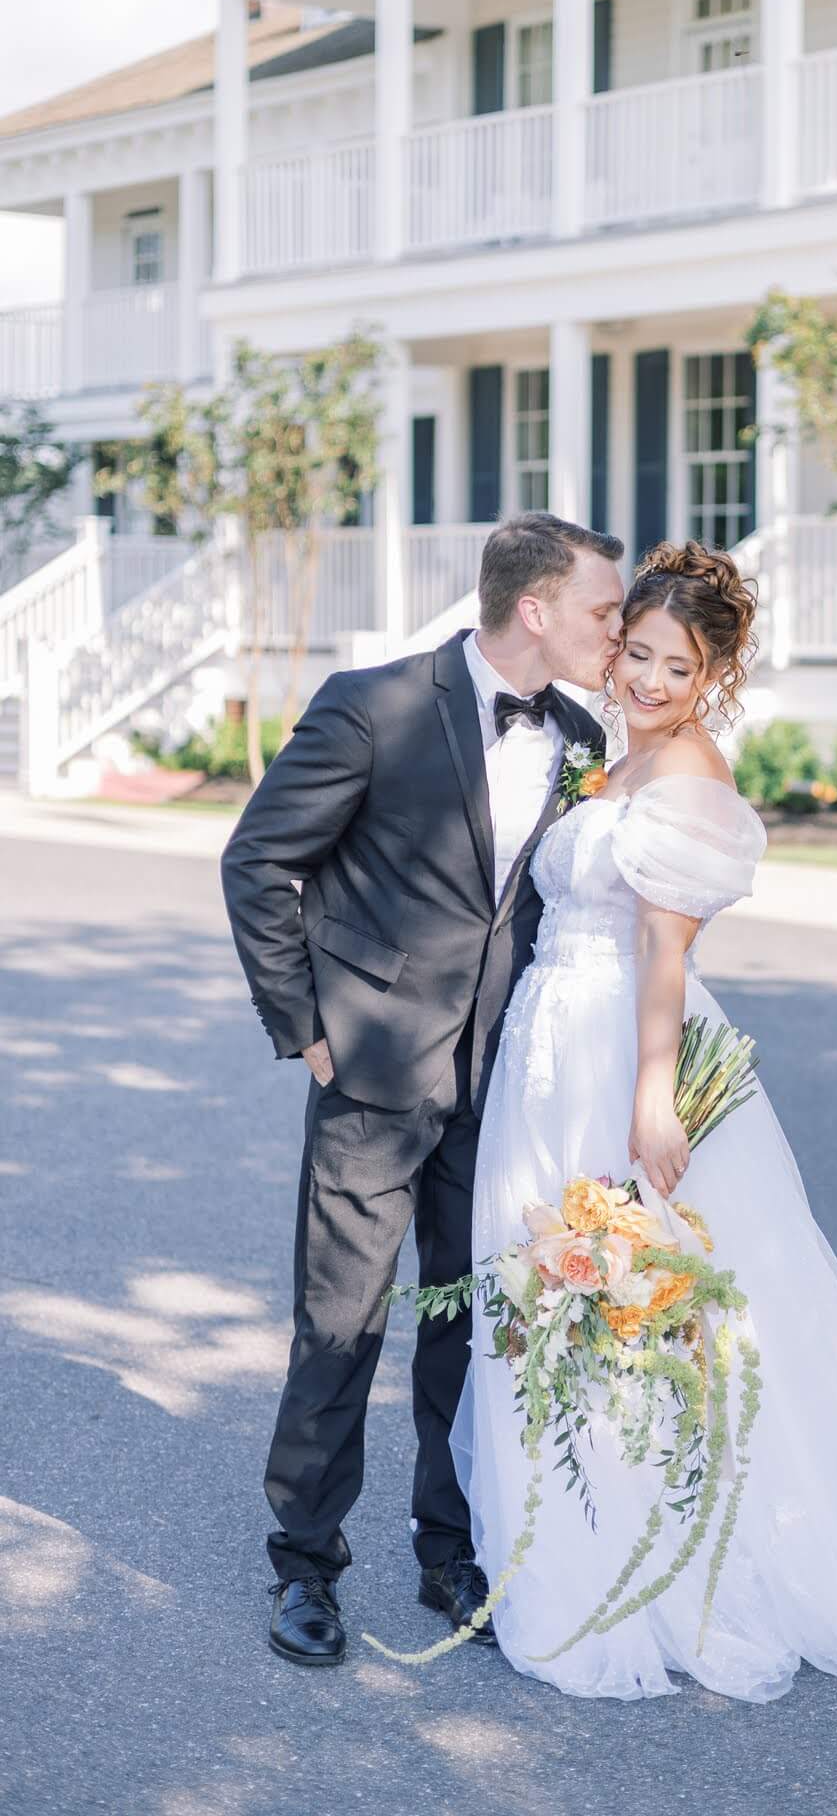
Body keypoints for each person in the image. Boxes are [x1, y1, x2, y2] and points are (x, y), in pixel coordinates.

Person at [455, 538, 837, 1701]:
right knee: (553, 1279)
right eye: (636, 653)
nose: (648, 681)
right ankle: (575, 1525)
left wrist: (650, 1096)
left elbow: (665, 955)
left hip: (618, 1050)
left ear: (712, 676)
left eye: (678, 667)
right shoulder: (609, 759)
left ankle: (655, 1553)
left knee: (636, 1294)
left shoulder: (687, 779)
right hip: (550, 1035)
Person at [220, 512, 625, 1667]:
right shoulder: (376, 702)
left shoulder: (585, 734)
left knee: (466, 1321)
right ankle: (305, 1563)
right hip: (371, 1072)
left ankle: (449, 1548)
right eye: (603, 608)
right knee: (340, 1323)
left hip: (505, 1081)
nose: (618, 626)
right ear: (535, 609)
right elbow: (259, 860)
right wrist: (303, 1023)